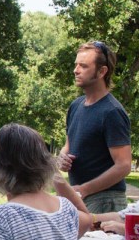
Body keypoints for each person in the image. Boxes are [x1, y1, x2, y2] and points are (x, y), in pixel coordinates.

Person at [54, 40, 131, 214]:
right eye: (76, 65)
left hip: (105, 200)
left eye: (83, 66)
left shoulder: (112, 111)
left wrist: (85, 189)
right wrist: (62, 158)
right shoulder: (76, 106)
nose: (76, 70)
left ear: (102, 71)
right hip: (79, 196)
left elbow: (124, 165)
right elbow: (68, 146)